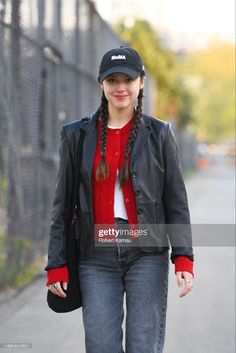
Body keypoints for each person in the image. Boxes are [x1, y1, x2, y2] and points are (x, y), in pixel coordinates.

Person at [45, 46, 194, 353]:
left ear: (141, 82)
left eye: (128, 79)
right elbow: (62, 206)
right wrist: (56, 263)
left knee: (143, 346)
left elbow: (176, 199)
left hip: (147, 254)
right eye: (112, 80)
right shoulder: (77, 136)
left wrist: (183, 256)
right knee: (101, 345)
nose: (120, 87)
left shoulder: (160, 133)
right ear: (102, 84)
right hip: (95, 257)